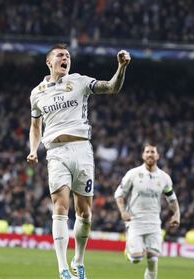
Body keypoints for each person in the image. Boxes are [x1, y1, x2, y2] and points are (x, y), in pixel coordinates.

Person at [27, 43, 131, 279]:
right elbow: (35, 126)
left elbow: (111, 88)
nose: (66, 58)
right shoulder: (37, 93)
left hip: (81, 149)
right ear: (49, 62)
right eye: (60, 55)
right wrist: (34, 149)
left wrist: (121, 67)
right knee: (60, 207)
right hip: (55, 152)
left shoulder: (80, 81)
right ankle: (63, 268)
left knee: (84, 213)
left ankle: (78, 260)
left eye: (68, 56)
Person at [114, 143, 180, 279]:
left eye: (153, 152)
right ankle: (129, 252)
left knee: (153, 260)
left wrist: (177, 214)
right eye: (147, 152)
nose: (150, 154)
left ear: (158, 156)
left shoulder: (164, 178)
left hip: (154, 222)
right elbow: (119, 194)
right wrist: (123, 211)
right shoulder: (133, 174)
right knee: (136, 258)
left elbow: (172, 199)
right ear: (143, 155)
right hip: (135, 220)